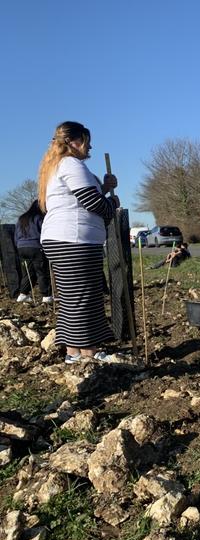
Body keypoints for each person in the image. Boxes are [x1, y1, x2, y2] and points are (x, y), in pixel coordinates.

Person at [38, 121, 119, 364]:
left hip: (64, 238)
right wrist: (112, 205)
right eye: (87, 142)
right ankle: (88, 353)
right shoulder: (72, 164)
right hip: (74, 240)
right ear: (76, 142)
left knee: (74, 297)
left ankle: (76, 352)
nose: (90, 148)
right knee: (84, 297)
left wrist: (103, 188)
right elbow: (91, 203)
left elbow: (79, 200)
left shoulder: (56, 166)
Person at [14, 200, 53, 303]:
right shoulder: (38, 218)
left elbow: (16, 235)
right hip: (35, 247)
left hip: (21, 248)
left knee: (28, 272)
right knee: (42, 272)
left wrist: (18, 245)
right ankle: (46, 296)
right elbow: (43, 232)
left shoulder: (21, 218)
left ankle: (23, 294)